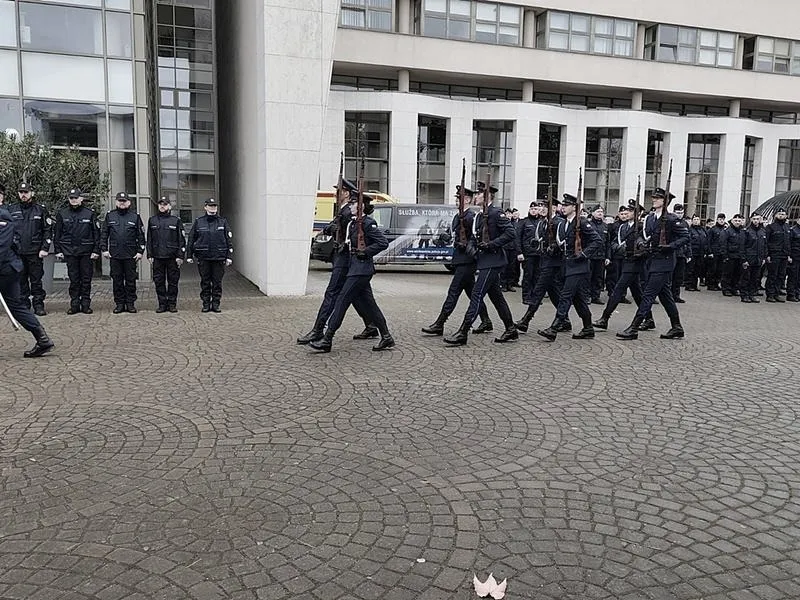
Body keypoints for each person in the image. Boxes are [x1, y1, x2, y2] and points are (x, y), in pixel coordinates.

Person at [309, 195, 394, 352]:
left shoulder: (368, 223)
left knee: (342, 301)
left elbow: (382, 243)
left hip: (361, 270)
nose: (351, 206)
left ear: (360, 207)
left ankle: (327, 339)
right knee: (370, 305)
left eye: (354, 204)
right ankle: (387, 337)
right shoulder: (354, 224)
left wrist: (366, 252)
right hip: (353, 268)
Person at [298, 179, 378, 344]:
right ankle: (372, 326)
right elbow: (331, 227)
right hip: (350, 261)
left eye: (339, 191)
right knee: (361, 296)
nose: (336, 193)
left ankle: (318, 330)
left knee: (332, 293)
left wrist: (332, 228)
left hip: (344, 259)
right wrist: (331, 228)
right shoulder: (344, 210)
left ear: (347, 193)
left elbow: (343, 229)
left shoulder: (348, 211)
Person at [443, 185, 518, 346]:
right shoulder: (479, 215)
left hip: (494, 260)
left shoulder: (496, 213)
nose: (475, 196)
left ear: (487, 196)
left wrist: (492, 244)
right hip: (483, 261)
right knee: (497, 297)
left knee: (476, 295)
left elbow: (511, 233)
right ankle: (511, 328)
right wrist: (471, 246)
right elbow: (475, 236)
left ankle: (463, 331)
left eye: (478, 193)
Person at [616, 187, 689, 340]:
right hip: (652, 260)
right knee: (665, 296)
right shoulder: (650, 218)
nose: (654, 199)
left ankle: (634, 327)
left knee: (648, 294)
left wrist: (670, 247)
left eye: (658, 198)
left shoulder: (671, 219)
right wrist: (642, 244)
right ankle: (677, 327)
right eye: (653, 197)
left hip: (665, 261)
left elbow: (685, 237)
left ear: (665, 201)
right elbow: (646, 236)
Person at [421, 185, 491, 336]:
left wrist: (466, 245)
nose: (455, 200)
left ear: (466, 199)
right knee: (472, 293)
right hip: (460, 259)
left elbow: (475, 237)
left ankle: (440, 323)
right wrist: (448, 239)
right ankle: (486, 320)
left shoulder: (470, 217)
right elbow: (457, 236)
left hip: (467, 261)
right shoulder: (458, 216)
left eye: (458, 198)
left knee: (453, 292)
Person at [537, 193, 602, 341]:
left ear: (574, 207)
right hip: (568, 265)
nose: (563, 207)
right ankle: (588, 328)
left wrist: (584, 254)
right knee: (578, 299)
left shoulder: (582, 222)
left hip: (579, 266)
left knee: (565, 296)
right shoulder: (565, 223)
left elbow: (597, 240)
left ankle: (554, 328)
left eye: (566, 205)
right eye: (563, 205)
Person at [0, 205, 55, 358]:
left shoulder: (3, 216)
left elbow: (2, 246)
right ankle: (42, 339)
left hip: (6, 269)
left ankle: (43, 339)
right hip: (8, 268)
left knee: (16, 305)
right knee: (16, 306)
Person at [592, 201, 654, 330]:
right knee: (637, 294)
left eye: (631, 211)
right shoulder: (623, 227)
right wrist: (620, 249)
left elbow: (647, 243)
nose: (627, 213)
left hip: (635, 262)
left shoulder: (642, 227)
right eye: (627, 210)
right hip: (626, 260)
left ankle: (605, 318)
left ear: (638, 213)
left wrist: (638, 248)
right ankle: (649, 319)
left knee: (618, 290)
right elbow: (615, 242)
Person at [514, 197, 570, 333]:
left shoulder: (558, 222)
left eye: (547, 207)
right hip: (544, 261)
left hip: (554, 263)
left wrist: (555, 247)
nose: (543, 209)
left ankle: (526, 320)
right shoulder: (543, 223)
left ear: (555, 208)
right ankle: (566, 321)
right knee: (554, 293)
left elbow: (564, 241)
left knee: (538, 290)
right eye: (542, 206)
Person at [6, 182, 52, 316]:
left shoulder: (40, 209)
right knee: (21, 281)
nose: (23, 195)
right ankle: (24, 306)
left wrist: (45, 247)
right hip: (17, 252)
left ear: (32, 193)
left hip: (35, 252)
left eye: (26, 192)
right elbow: (6, 230)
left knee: (36, 281)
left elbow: (47, 230)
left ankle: (38, 305)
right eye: (21, 192)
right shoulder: (11, 209)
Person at [53, 188, 101, 315]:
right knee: (74, 280)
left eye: (75, 198)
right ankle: (74, 304)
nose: (73, 200)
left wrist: (96, 250)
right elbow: (57, 233)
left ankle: (85, 304)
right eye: (71, 198)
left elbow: (96, 234)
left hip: (86, 252)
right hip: (70, 252)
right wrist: (57, 250)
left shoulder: (89, 214)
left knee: (86, 279)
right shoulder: (62, 214)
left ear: (81, 199)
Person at [101, 192, 146, 314]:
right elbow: (104, 233)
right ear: (116, 202)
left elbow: (141, 235)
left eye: (124, 201)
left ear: (129, 203)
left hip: (130, 255)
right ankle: (119, 304)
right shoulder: (110, 216)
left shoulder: (135, 217)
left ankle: (130, 304)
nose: (122, 203)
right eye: (120, 201)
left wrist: (140, 251)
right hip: (115, 254)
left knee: (131, 280)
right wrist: (104, 249)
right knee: (117, 280)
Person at [186, 198, 233, 313]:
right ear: (205, 207)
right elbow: (191, 239)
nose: (213, 208)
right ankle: (206, 304)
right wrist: (189, 255)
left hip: (218, 257)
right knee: (205, 282)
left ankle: (216, 304)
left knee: (217, 282)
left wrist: (229, 256)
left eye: (214, 206)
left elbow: (229, 240)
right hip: (204, 257)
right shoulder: (199, 222)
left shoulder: (222, 222)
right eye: (210, 206)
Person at [147, 196, 186, 313]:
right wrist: (149, 255)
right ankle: (162, 304)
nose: (162, 206)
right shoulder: (152, 220)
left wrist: (180, 256)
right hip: (158, 257)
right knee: (159, 282)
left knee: (173, 282)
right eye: (160, 204)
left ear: (169, 206)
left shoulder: (176, 220)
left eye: (165, 204)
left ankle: (172, 304)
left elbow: (181, 240)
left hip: (172, 258)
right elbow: (149, 239)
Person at [765, 207, 791, 302]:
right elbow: (766, 242)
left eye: (783, 214)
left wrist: (789, 255)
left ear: (786, 216)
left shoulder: (787, 227)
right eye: (779, 214)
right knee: (772, 275)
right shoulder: (770, 227)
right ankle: (770, 294)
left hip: (784, 255)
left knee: (781, 275)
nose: (781, 216)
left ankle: (776, 293)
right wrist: (767, 254)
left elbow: (789, 242)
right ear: (775, 215)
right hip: (774, 255)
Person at [739, 212, 767, 303]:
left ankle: (752, 294)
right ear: (751, 219)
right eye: (754, 219)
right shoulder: (746, 231)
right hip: (749, 258)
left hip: (758, 259)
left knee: (755, 278)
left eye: (757, 219)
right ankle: (744, 295)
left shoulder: (762, 231)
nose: (756, 221)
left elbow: (764, 245)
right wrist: (744, 259)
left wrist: (763, 258)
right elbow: (742, 246)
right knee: (746, 278)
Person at [586, 204, 608, 304]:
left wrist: (608, 256)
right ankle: (587, 296)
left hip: (601, 255)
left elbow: (607, 242)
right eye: (598, 212)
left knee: (598, 277)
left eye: (601, 212)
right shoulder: (588, 224)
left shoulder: (605, 226)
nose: (600, 214)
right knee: (588, 276)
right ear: (593, 213)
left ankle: (596, 296)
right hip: (590, 255)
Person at [720, 214, 745, 297]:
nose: (737, 222)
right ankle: (726, 289)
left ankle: (734, 288)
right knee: (728, 274)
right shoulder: (727, 231)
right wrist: (725, 256)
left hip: (739, 256)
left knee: (737, 274)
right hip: (730, 256)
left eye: (739, 221)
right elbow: (723, 244)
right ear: (732, 221)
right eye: (735, 221)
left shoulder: (743, 231)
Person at [670, 204, 689, 304]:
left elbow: (687, 239)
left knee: (679, 276)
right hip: (673, 253)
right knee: (670, 276)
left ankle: (676, 295)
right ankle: (669, 296)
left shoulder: (685, 224)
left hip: (682, 253)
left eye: (681, 213)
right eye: (678, 213)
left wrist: (689, 254)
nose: (680, 215)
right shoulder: (671, 222)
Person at [705, 213, 727, 290]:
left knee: (720, 269)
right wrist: (709, 252)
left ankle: (716, 283)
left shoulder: (725, 230)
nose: (722, 221)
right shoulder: (713, 229)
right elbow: (708, 241)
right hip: (714, 252)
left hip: (721, 252)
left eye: (723, 219)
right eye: (720, 219)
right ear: (717, 220)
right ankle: (710, 284)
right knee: (712, 269)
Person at [685, 214, 708, 291]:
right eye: (694, 219)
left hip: (700, 253)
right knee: (691, 269)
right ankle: (689, 285)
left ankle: (694, 285)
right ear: (692, 221)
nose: (696, 221)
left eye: (698, 219)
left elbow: (706, 240)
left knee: (697, 270)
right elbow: (688, 241)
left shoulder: (702, 230)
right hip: (693, 252)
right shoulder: (690, 230)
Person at [787, 217, 800, 302]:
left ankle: (797, 293)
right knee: (793, 276)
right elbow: (789, 244)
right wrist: (789, 256)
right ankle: (791, 294)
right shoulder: (793, 230)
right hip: (795, 256)